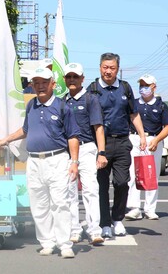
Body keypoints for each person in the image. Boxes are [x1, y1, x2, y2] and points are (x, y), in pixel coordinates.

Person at [0, 67, 80, 259]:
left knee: (60, 203)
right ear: (32, 85)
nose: (40, 86)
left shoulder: (63, 107)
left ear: (53, 83)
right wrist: (7, 139)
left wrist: (74, 162)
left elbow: (73, 136)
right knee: (38, 204)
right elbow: (26, 129)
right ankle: (47, 242)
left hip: (57, 159)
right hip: (34, 161)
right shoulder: (31, 105)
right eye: (36, 82)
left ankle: (64, 244)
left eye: (44, 82)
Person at [86, 52, 146, 239]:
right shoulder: (93, 89)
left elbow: (133, 114)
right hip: (100, 144)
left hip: (121, 142)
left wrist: (142, 135)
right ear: (100, 68)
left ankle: (117, 219)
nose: (108, 71)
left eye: (112, 68)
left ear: (117, 69)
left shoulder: (125, 88)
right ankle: (104, 223)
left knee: (122, 182)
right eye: (105, 67)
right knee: (101, 185)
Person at [64, 63, 108, 245]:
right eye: (69, 77)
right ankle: (74, 230)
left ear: (83, 79)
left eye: (76, 77)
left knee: (91, 190)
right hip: (67, 152)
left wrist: (102, 152)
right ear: (65, 79)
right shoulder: (62, 101)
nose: (72, 80)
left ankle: (94, 230)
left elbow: (98, 127)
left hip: (87, 148)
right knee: (70, 192)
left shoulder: (91, 99)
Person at [125, 74, 168, 221]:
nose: (143, 88)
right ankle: (134, 208)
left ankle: (150, 209)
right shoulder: (133, 103)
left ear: (154, 87)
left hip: (153, 141)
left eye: (146, 85)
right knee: (133, 174)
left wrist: (157, 140)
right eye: (141, 85)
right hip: (135, 139)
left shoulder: (161, 106)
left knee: (151, 176)